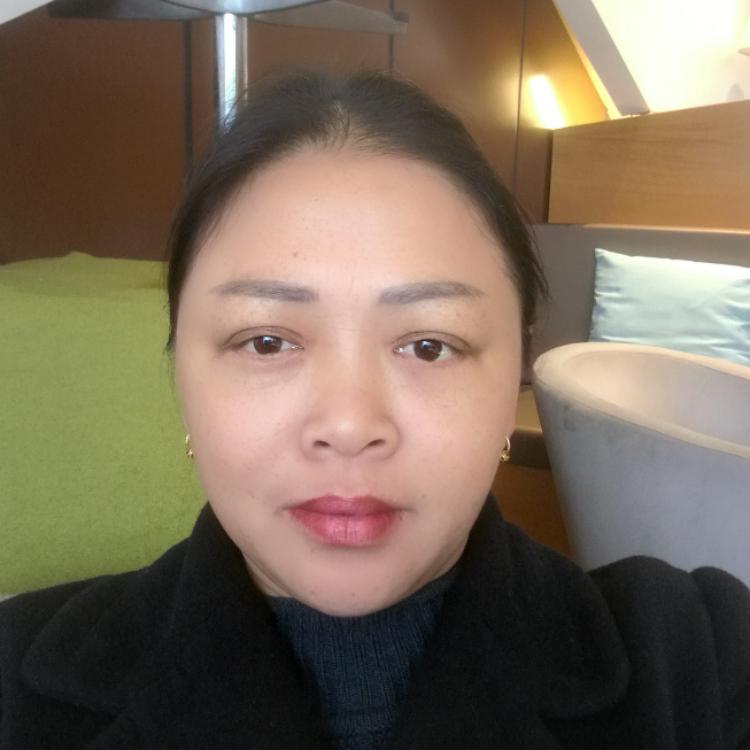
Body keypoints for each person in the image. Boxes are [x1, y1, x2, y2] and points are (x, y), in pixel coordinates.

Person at [1, 69, 749, 750]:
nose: (350, 425)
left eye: (428, 345)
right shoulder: (14, 682)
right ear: (181, 378)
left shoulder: (702, 660)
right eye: (267, 341)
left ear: (514, 377)